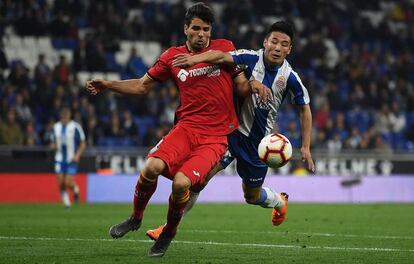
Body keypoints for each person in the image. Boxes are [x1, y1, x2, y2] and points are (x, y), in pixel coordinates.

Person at [86, 2, 269, 258]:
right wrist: (108, 84)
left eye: (206, 29)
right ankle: (135, 218)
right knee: (151, 167)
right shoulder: (171, 56)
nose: (201, 34)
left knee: (182, 184)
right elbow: (141, 86)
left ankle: (168, 232)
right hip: (185, 128)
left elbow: (240, 86)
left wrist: (253, 86)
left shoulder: (225, 48)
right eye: (196, 28)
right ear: (186, 29)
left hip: (216, 137)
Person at [146, 20, 315, 240]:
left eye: (284, 44)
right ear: (265, 42)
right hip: (228, 133)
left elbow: (305, 109)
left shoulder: (290, 77)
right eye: (274, 41)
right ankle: (168, 227)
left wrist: (306, 146)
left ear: (289, 49)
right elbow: (220, 56)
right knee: (200, 179)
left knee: (251, 196)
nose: (277, 48)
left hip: (258, 145)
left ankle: (279, 201)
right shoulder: (250, 57)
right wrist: (193, 59)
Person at [50, 107, 86, 208]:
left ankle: (75, 189)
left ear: (69, 116)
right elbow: (52, 142)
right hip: (59, 159)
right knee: (61, 182)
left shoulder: (75, 127)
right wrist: (53, 146)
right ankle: (67, 203)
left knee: (67, 182)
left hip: (71, 159)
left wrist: (77, 155)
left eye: (66, 117)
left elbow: (83, 143)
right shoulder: (56, 127)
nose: (64, 119)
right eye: (63, 117)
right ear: (61, 117)